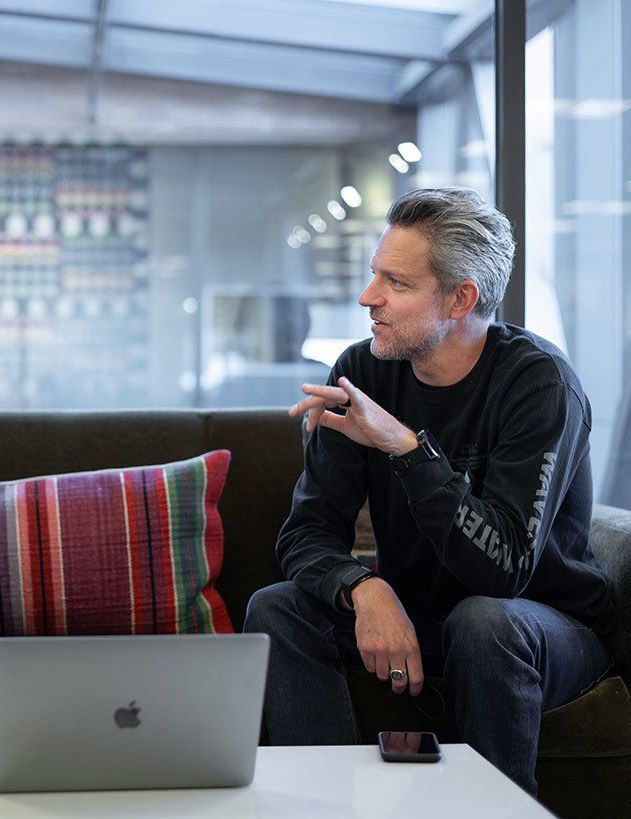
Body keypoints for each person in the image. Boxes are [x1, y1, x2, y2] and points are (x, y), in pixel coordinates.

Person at [244, 187, 615, 794]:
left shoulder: (539, 384)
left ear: (460, 299)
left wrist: (407, 447)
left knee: (483, 622)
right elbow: (306, 534)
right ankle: (319, 806)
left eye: (396, 282)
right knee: (276, 608)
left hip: (542, 627)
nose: (368, 297)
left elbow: (503, 571)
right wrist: (364, 587)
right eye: (375, 274)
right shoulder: (362, 371)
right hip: (423, 616)